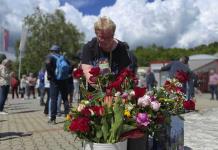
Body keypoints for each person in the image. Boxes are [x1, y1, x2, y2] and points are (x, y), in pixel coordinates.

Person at [81, 16, 131, 86]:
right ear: (96, 34)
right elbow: (88, 74)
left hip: (117, 91)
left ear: (113, 34)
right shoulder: (89, 48)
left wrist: (114, 90)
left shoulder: (121, 48)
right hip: (95, 92)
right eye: (102, 37)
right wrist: (104, 90)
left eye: (109, 37)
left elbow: (126, 73)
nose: (106, 41)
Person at [45, 44, 70, 124]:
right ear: (59, 50)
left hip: (54, 80)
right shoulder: (64, 57)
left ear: (52, 50)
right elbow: (70, 65)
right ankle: (68, 116)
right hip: (64, 80)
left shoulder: (50, 57)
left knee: (54, 99)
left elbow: (48, 64)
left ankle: (53, 119)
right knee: (65, 98)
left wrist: (49, 74)